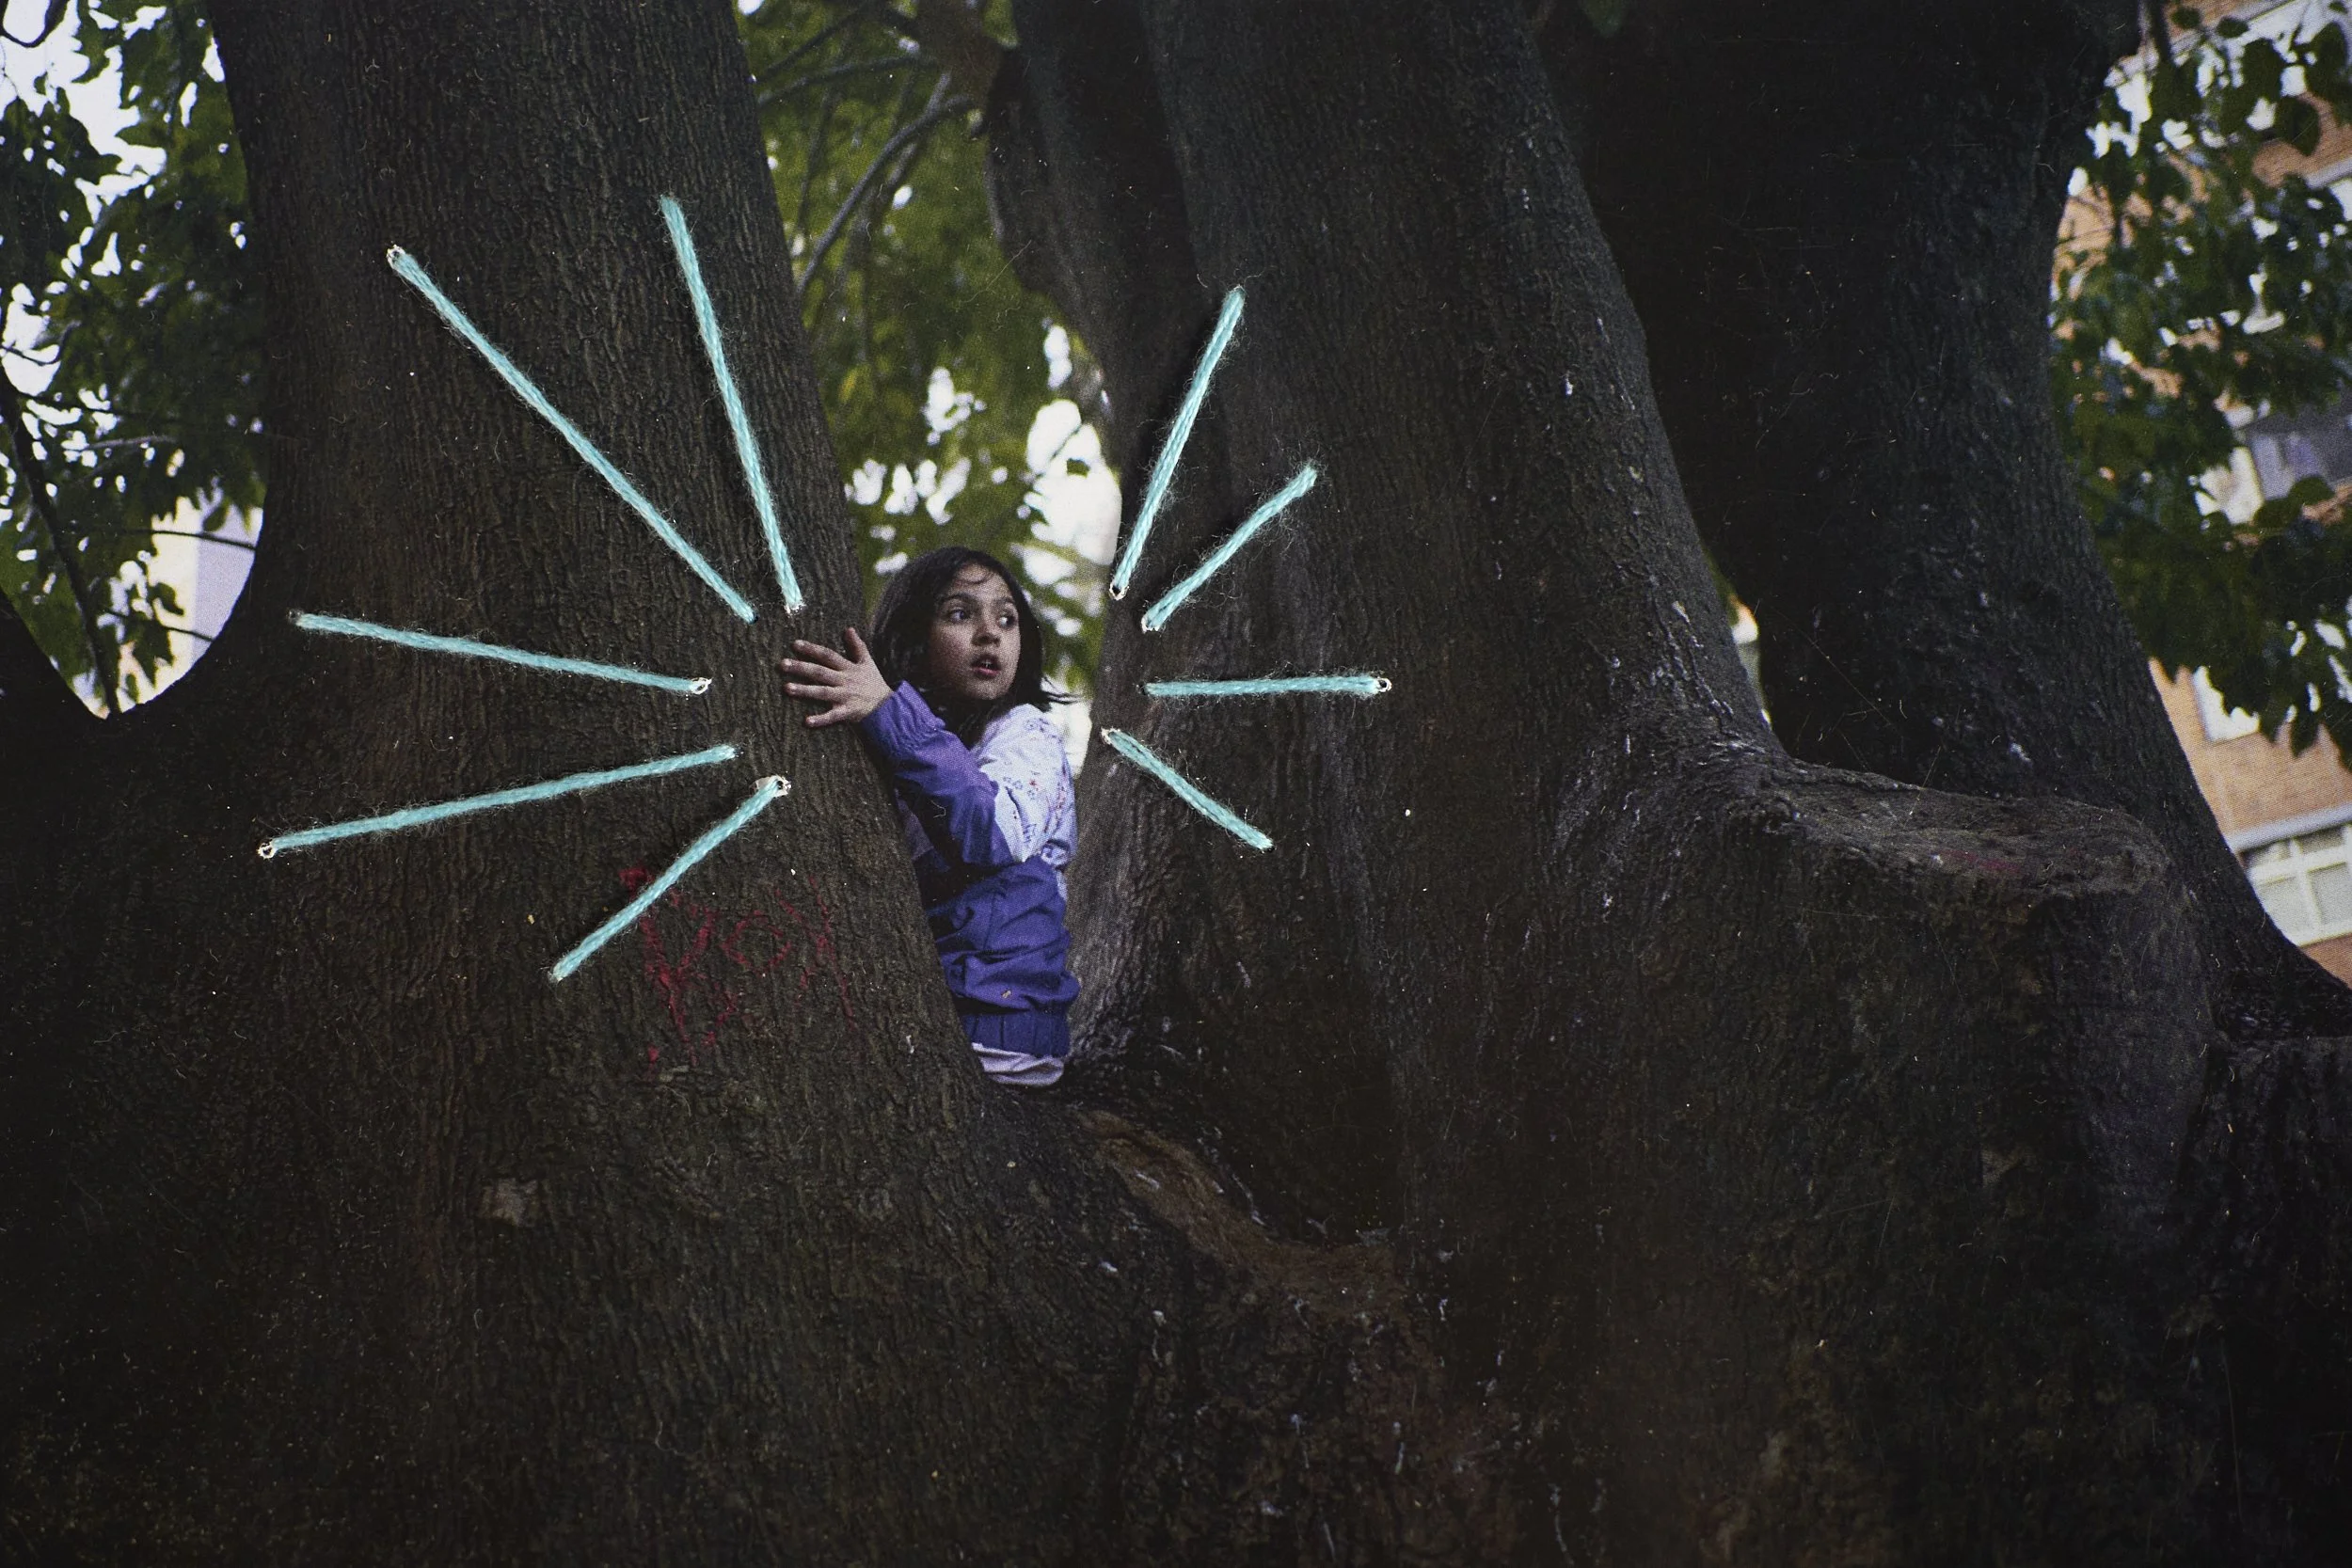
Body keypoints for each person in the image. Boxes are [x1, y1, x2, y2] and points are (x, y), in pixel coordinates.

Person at [779, 547, 1080, 1085]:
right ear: (914, 638)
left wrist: (888, 713)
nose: (990, 633)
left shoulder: (1025, 733)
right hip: (935, 1016)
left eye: (1006, 619)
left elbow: (991, 832)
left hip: (999, 1031)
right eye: (961, 614)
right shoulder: (916, 747)